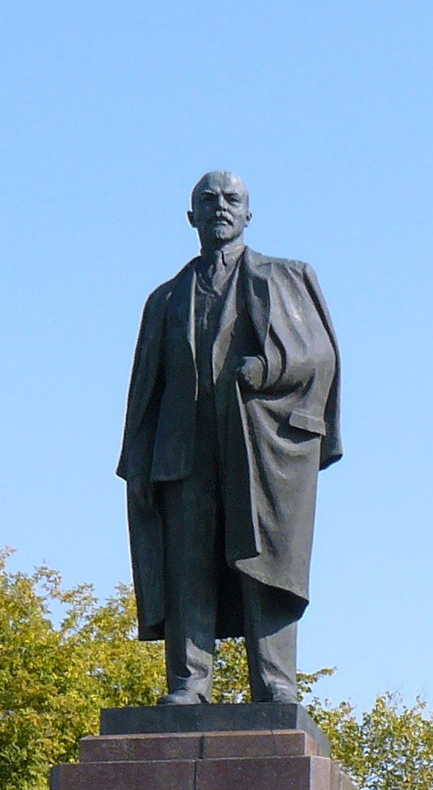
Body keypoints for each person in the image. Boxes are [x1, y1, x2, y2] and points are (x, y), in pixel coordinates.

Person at [117, 171, 342, 706]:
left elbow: (321, 357)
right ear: (191, 216)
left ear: (248, 214)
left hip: (259, 446)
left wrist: (267, 368)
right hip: (182, 452)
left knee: (265, 563)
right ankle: (189, 683)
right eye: (208, 200)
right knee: (186, 567)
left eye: (232, 199)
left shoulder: (284, 277)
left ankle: (275, 682)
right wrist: (138, 462)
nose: (220, 206)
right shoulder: (165, 299)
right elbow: (145, 388)